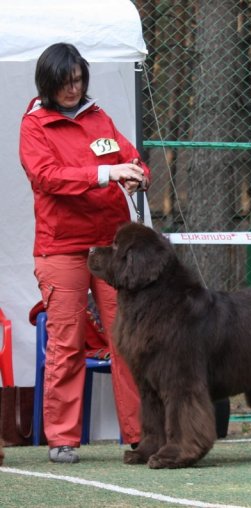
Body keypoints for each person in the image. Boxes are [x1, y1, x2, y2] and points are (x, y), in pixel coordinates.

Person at [19, 42, 149, 463]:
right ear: (48, 84)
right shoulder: (35, 124)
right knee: (67, 341)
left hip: (110, 246)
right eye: (65, 82)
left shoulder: (99, 117)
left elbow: (129, 156)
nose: (73, 89)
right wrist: (106, 173)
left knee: (126, 340)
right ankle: (62, 437)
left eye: (78, 80)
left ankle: (141, 434)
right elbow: (47, 178)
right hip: (61, 247)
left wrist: (136, 175)